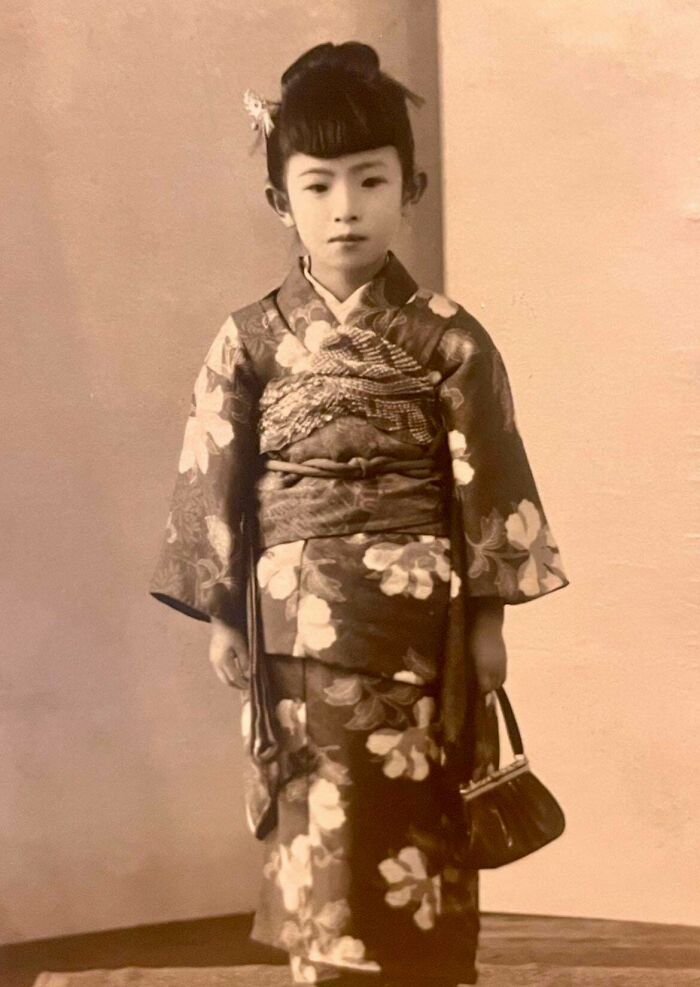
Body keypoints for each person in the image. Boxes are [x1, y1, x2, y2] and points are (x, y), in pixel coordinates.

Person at [149, 41, 570, 987]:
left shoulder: (450, 338)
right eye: (319, 185)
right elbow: (217, 475)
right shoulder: (250, 338)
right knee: (319, 819)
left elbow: (486, 479)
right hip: (294, 625)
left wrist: (490, 620)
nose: (346, 208)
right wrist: (223, 615)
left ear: (408, 188)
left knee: (417, 809)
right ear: (280, 201)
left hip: (421, 622)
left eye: (371, 181)